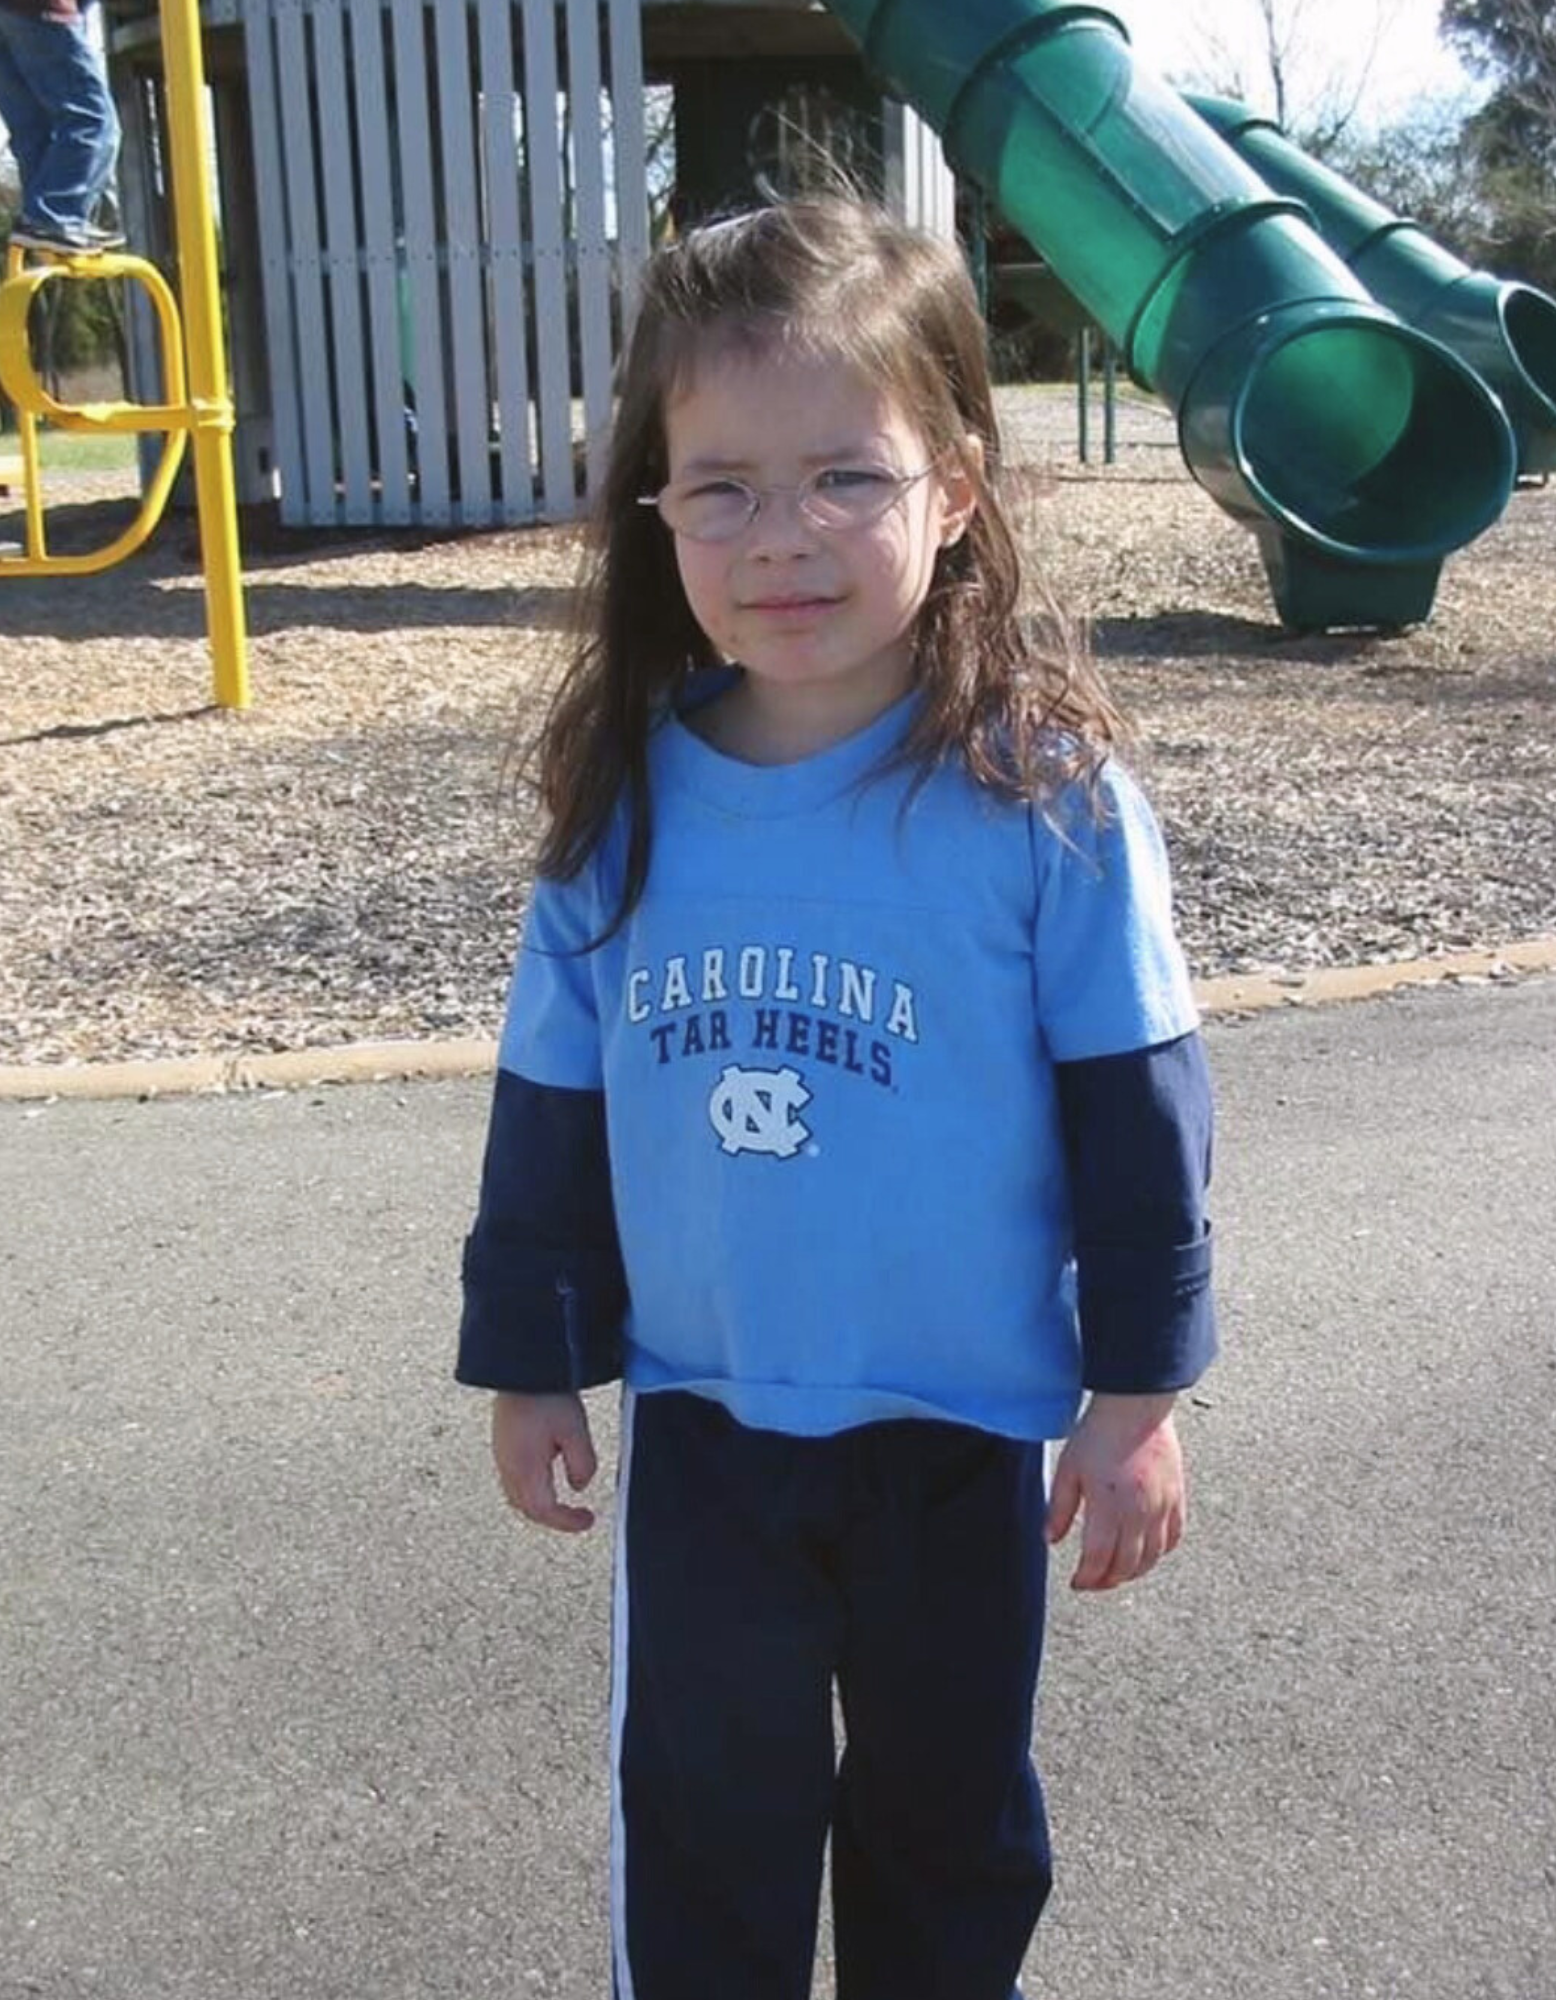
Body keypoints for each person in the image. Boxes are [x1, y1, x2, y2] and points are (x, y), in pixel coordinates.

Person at [457, 195, 1217, 2000]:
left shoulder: (1042, 800)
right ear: (651, 505)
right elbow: (547, 1110)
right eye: (717, 484)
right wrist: (527, 1355)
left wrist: (1137, 1392)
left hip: (966, 1434)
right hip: (711, 1429)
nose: (779, 535)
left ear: (956, 486)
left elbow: (1141, 1118)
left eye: (842, 480)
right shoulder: (622, 799)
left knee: (946, 1836)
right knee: (705, 1823)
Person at [0, 0, 122, 255]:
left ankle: (41, 222)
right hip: (42, 9)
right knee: (93, 120)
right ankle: (55, 214)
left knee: (34, 127)